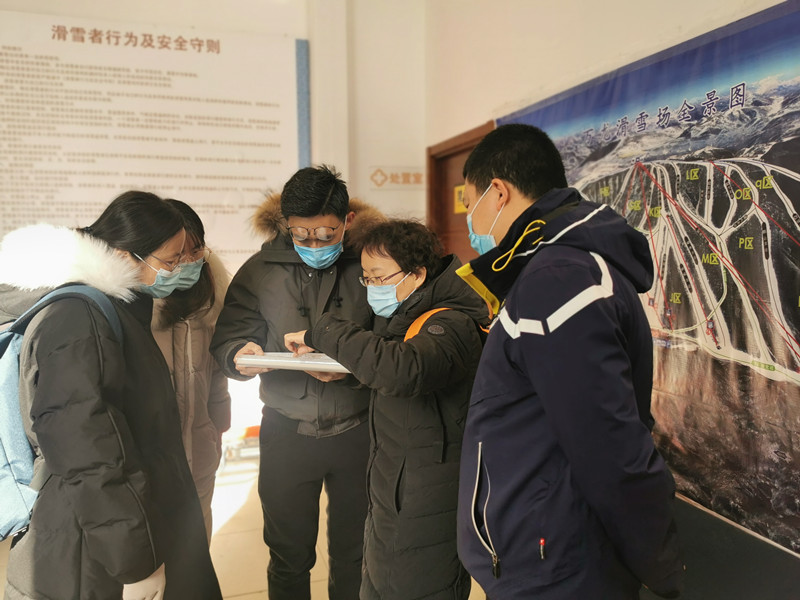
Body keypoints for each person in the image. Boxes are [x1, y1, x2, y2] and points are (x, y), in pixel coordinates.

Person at [454, 124, 684, 599]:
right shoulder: (555, 269)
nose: (471, 223)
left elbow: (607, 444)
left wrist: (657, 562)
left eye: (471, 205)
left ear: (498, 192)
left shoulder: (558, 279)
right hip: (550, 546)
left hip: (556, 561)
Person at [0, 191, 222, 599]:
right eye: (170, 261)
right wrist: (134, 562)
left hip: (119, 526)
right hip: (90, 549)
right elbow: (88, 452)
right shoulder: (79, 318)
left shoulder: (109, 310)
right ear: (124, 257)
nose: (180, 270)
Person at [284, 219, 488, 600]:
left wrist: (323, 331)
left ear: (417, 274)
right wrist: (347, 374)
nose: (372, 288)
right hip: (393, 493)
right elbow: (397, 379)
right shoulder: (406, 314)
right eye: (366, 279)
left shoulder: (451, 322)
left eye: (379, 278)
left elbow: (404, 370)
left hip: (427, 505)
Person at [210, 165, 384, 600]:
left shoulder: (371, 263)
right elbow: (231, 334)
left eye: (325, 235)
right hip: (286, 430)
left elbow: (392, 340)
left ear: (347, 221)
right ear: (286, 224)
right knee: (288, 553)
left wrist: (355, 371)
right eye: (301, 235)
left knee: (356, 552)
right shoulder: (260, 269)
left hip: (358, 429)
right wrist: (239, 353)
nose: (314, 245)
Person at [151, 199, 231, 545]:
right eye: (176, 255)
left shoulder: (211, 299)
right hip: (153, 459)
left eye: (195, 251)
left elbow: (216, 378)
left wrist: (217, 429)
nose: (186, 263)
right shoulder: (133, 308)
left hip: (200, 449)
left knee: (196, 546)